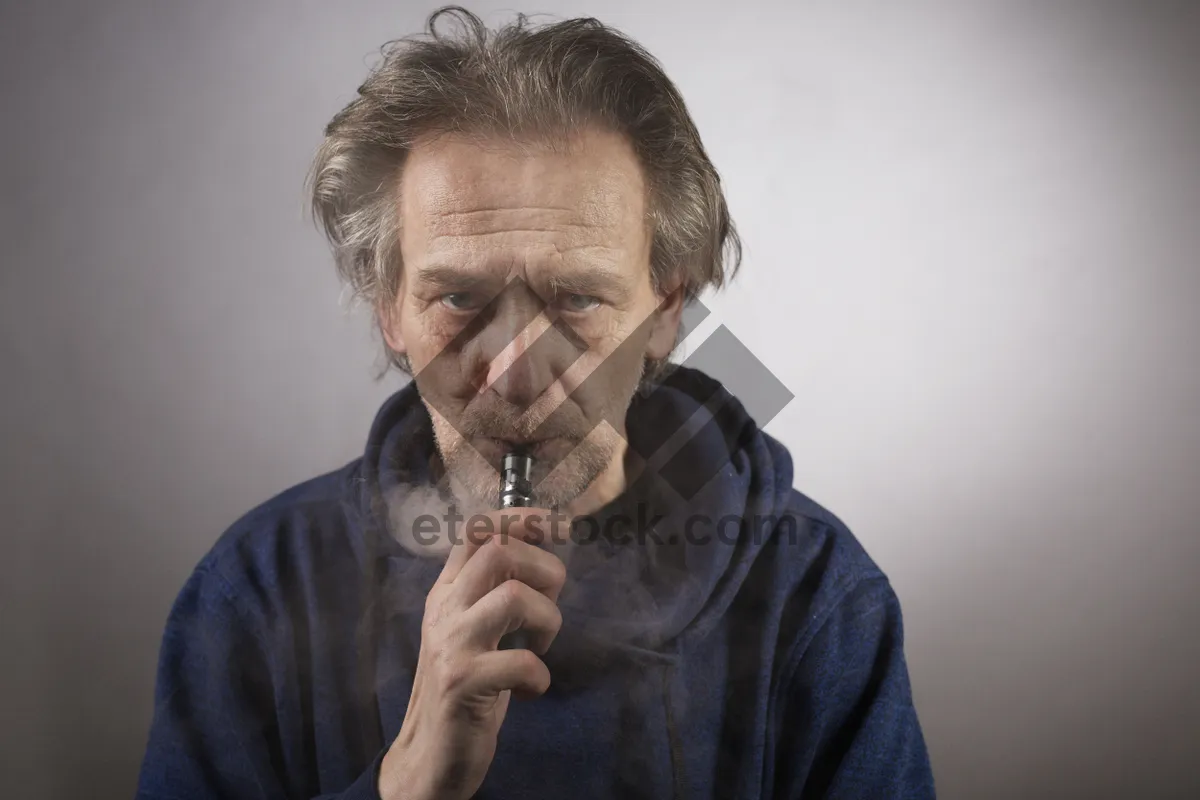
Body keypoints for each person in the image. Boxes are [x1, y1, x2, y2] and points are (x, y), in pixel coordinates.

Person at [134, 6, 935, 799]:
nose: (518, 374)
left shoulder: (819, 597)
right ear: (389, 313)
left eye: (578, 299)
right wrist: (405, 784)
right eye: (458, 298)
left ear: (664, 312)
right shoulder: (260, 589)